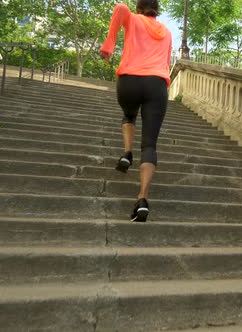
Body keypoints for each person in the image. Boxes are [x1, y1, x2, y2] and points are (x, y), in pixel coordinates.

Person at [100, 0, 172, 222]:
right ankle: (142, 200)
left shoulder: (132, 18)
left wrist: (108, 46)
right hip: (157, 85)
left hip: (130, 80)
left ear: (139, 7)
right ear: (156, 10)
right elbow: (166, 61)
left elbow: (120, 7)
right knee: (150, 145)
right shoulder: (167, 32)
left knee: (129, 115)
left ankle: (127, 153)